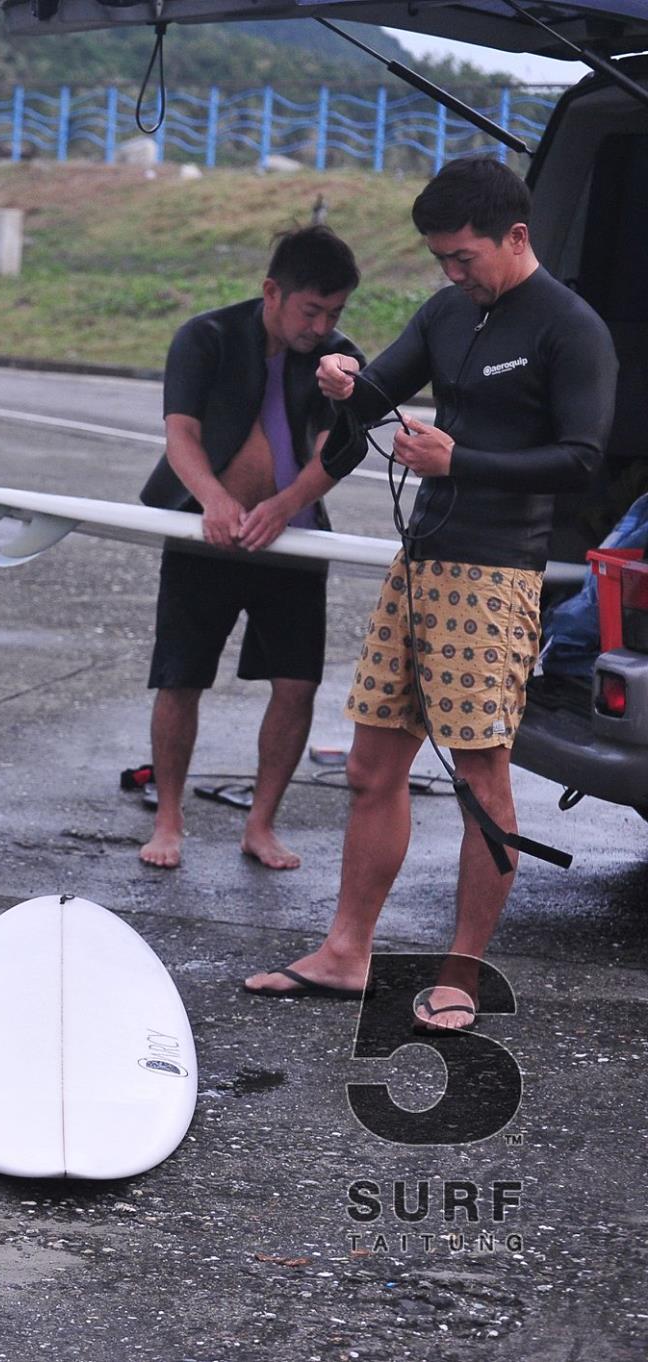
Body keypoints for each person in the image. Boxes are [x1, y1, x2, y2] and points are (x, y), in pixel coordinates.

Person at [244, 157, 617, 1029]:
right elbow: (380, 390)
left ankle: (462, 975)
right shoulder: (451, 310)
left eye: (463, 257)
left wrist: (464, 461)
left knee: (481, 776)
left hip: (495, 578)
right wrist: (345, 376)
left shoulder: (571, 328)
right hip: (419, 564)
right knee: (374, 766)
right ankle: (345, 953)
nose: (452, 273)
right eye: (441, 259)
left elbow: (583, 459)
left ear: (515, 238)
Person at [138, 225, 365, 871]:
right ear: (272, 291)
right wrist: (212, 499)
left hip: (291, 545)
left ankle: (260, 826)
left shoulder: (340, 362)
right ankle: (169, 819)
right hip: (202, 537)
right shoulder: (205, 337)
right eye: (309, 310)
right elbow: (180, 434)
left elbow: (334, 453)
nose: (321, 326)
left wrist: (282, 508)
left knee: (296, 686)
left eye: (335, 312)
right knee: (179, 680)